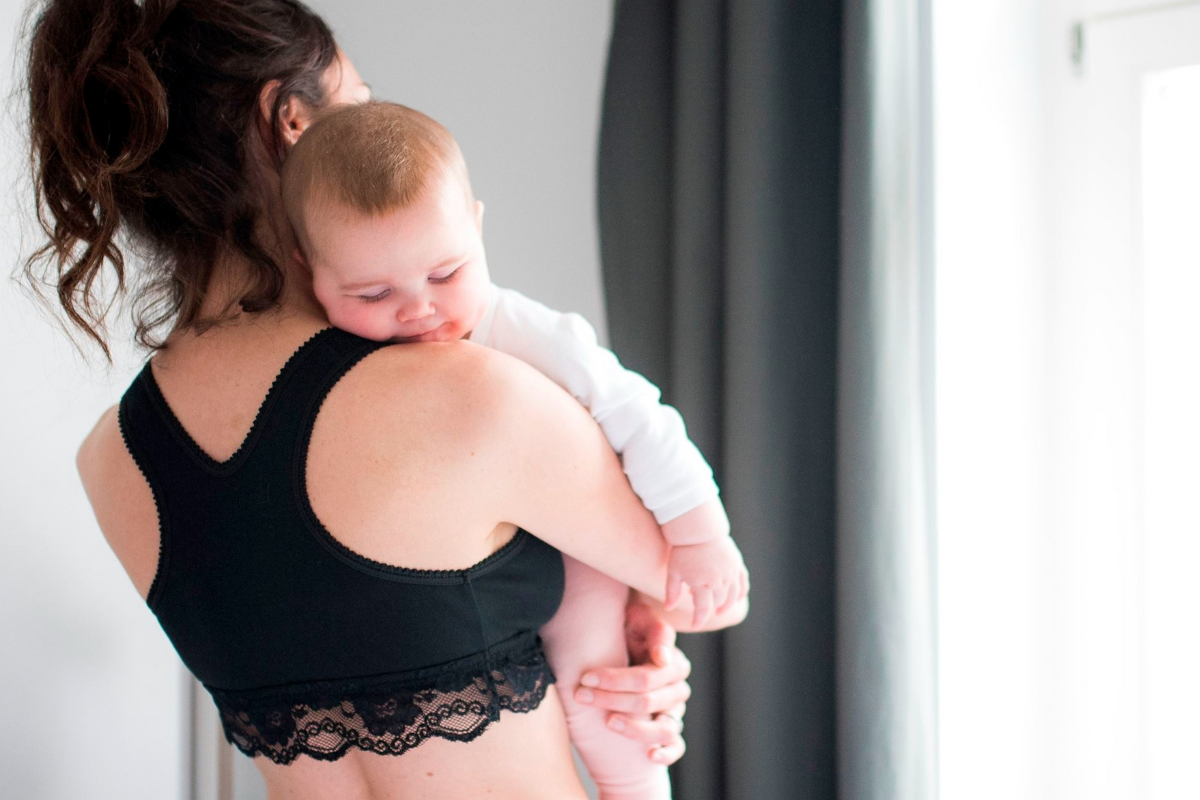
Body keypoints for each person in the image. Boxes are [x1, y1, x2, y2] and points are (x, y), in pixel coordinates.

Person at [23, 1, 748, 799]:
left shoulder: (112, 460)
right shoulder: (466, 397)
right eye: (358, 103)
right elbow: (701, 589)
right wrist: (642, 633)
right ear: (289, 121)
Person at [279, 101, 750, 800]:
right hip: (479, 588)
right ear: (307, 271)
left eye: (446, 274)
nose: (418, 310)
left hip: (578, 551)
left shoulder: (527, 333)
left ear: (476, 226)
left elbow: (642, 418)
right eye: (373, 293)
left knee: (598, 691)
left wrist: (701, 536)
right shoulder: (335, 368)